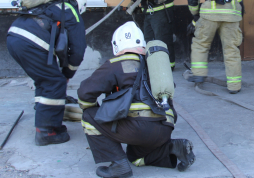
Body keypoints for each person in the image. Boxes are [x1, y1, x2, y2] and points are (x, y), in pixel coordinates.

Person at [77, 22, 195, 178]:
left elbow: (84, 93)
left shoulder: (116, 64)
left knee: (88, 116)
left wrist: (97, 112)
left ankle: (118, 165)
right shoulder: (155, 64)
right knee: (136, 158)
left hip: (138, 128)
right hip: (165, 127)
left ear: (116, 45)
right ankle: (172, 148)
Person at [7, 0, 87, 146]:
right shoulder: (71, 11)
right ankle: (47, 132)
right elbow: (78, 51)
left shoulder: (51, 5)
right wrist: (67, 74)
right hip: (29, 42)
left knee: (44, 79)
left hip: (13, 37)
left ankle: (42, 111)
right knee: (54, 83)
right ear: (80, 5)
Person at [185, 0, 244, 94]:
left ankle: (198, 76)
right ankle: (234, 86)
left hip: (209, 15)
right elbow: (241, 4)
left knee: (201, 44)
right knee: (232, 51)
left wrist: (195, 14)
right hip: (232, 17)